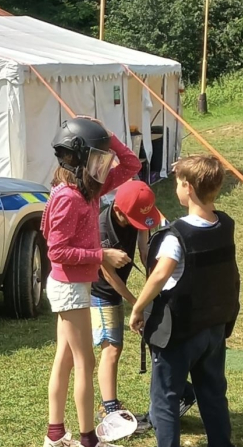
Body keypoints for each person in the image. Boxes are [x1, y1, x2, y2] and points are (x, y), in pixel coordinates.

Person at [41, 116, 141, 447]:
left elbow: (130, 164)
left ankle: (55, 435)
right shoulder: (69, 198)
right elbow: (57, 250)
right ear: (79, 159)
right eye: (97, 159)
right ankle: (88, 439)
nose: (104, 167)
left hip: (73, 286)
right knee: (85, 362)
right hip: (69, 288)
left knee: (66, 358)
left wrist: (105, 134)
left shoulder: (89, 190)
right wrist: (102, 255)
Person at [130, 155, 240, 447]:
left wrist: (138, 308)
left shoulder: (176, 236)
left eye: (178, 182)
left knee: (164, 398)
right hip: (214, 327)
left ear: (188, 187)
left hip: (179, 332)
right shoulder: (225, 225)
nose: (177, 188)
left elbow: (159, 276)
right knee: (213, 392)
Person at [91, 180, 161, 421]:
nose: (139, 225)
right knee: (111, 347)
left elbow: (144, 248)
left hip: (117, 292)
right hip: (100, 293)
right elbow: (109, 277)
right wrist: (136, 302)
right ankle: (108, 408)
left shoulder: (136, 215)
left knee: (112, 347)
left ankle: (110, 404)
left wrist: (153, 276)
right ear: (119, 211)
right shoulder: (101, 229)